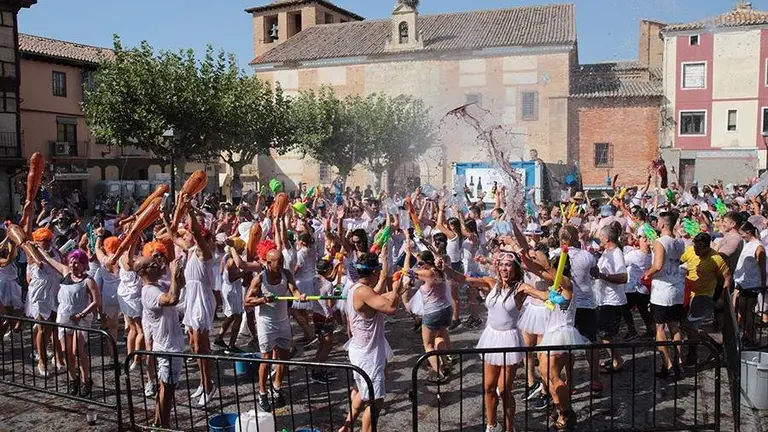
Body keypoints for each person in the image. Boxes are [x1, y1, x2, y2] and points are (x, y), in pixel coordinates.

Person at [448, 251, 527, 432]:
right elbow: (463, 279)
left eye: (508, 265)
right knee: (489, 388)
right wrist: (443, 267)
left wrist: (555, 295)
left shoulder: (521, 289)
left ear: (515, 268)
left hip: (509, 340)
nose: (503, 268)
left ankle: (509, 428)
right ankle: (492, 425)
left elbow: (543, 294)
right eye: (501, 265)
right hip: (491, 337)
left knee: (505, 390)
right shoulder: (490, 282)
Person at [339, 248, 402, 432]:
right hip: (367, 354)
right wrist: (396, 290)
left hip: (364, 349)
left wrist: (385, 259)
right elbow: (390, 308)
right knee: (375, 401)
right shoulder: (363, 292)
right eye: (379, 271)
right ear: (373, 271)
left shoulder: (357, 288)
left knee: (360, 393)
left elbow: (379, 294)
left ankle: (346, 428)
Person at [521, 252, 583, 430]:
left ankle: (566, 412)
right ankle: (558, 407)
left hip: (562, 334)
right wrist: (522, 254)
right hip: (550, 333)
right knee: (545, 373)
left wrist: (544, 262)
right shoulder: (554, 288)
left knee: (554, 376)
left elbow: (547, 272)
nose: (547, 276)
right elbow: (539, 275)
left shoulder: (568, 285)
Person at [245, 248, 306, 412]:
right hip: (266, 323)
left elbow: (294, 289)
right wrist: (263, 299)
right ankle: (262, 392)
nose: (281, 267)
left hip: (283, 321)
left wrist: (299, 295)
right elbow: (247, 301)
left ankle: (277, 388)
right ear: (268, 263)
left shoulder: (286, 274)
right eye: (278, 264)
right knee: (266, 359)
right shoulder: (259, 279)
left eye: (282, 263)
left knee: (284, 358)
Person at [38, 249, 101, 397]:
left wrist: (82, 314)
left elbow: (96, 301)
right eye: (72, 261)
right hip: (64, 317)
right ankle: (73, 379)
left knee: (78, 351)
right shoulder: (66, 272)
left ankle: (86, 380)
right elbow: (48, 258)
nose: (73, 264)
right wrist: (37, 247)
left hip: (80, 318)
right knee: (67, 352)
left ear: (83, 265)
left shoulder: (88, 280)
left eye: (77, 262)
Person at [177, 202, 218, 406]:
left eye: (187, 233)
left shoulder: (204, 252)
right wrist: (166, 219)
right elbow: (174, 237)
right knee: (195, 346)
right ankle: (204, 382)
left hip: (202, 299)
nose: (184, 235)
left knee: (202, 346)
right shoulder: (191, 249)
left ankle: (209, 385)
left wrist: (190, 211)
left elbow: (193, 230)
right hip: (191, 299)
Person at [138, 251, 184, 430]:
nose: (157, 264)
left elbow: (178, 288)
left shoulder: (157, 285)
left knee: (166, 388)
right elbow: (172, 299)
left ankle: (158, 423)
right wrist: (173, 274)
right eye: (152, 264)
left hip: (171, 345)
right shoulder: (149, 291)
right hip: (167, 347)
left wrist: (177, 272)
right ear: (143, 271)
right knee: (168, 389)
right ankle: (164, 426)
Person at [643, 211, 686, 380]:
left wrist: (648, 273)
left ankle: (667, 363)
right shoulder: (679, 242)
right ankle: (680, 361)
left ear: (662, 224)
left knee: (660, 328)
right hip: (677, 288)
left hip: (662, 290)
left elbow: (658, 265)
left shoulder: (660, 241)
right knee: (675, 327)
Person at [404, 243, 453, 383]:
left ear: (427, 263)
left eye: (420, 263)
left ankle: (440, 374)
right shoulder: (440, 271)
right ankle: (445, 364)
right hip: (446, 309)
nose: (418, 266)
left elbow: (406, 271)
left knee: (428, 346)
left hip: (433, 312)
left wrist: (407, 254)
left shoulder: (428, 273)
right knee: (438, 337)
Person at [679, 232, 729, 365]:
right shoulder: (690, 251)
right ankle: (715, 345)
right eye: (695, 247)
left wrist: (722, 298)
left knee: (691, 325)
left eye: (699, 248)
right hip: (687, 294)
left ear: (707, 247)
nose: (696, 251)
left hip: (704, 296)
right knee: (688, 326)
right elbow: (679, 260)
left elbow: (727, 278)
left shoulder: (716, 258)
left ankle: (692, 355)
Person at [591, 223, 628, 373]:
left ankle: (617, 361)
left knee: (606, 334)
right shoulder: (607, 251)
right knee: (604, 333)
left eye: (600, 237)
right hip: (604, 299)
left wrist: (601, 275)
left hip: (612, 300)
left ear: (606, 238)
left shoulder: (616, 254)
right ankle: (613, 358)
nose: (599, 239)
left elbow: (623, 277)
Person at [732, 221, 766, 346]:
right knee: (742, 311)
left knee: (749, 313)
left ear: (749, 232)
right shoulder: (747, 243)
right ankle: (746, 334)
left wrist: (762, 284)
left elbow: (762, 267)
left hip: (753, 284)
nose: (741, 237)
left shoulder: (758, 246)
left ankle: (752, 337)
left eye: (742, 234)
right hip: (743, 282)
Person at [214, 239, 246, 351]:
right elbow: (231, 278)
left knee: (231, 316)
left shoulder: (226, 257)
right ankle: (231, 345)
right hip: (232, 290)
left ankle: (219, 337)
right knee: (238, 316)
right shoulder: (231, 260)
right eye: (242, 247)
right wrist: (243, 273)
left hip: (229, 288)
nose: (243, 249)